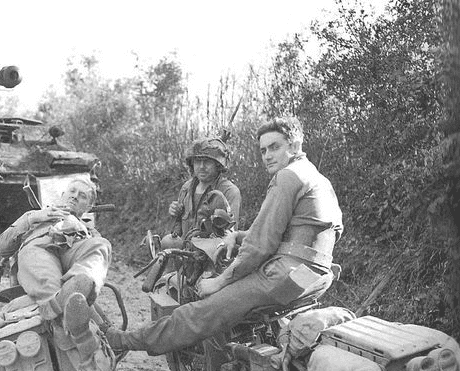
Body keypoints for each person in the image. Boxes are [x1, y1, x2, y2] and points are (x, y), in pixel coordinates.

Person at [106, 116, 343, 355]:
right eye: (263, 150)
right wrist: (237, 236)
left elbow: (260, 245)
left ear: (295, 145)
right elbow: (307, 231)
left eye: (275, 147)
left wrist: (219, 282)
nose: (267, 156)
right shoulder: (318, 179)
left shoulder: (286, 177)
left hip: (281, 276)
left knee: (199, 312)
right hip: (315, 276)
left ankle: (122, 340)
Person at [0, 178, 111, 352]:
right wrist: (33, 217)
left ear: (88, 208)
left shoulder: (91, 232)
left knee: (101, 245)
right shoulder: (36, 217)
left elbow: (95, 257)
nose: (75, 197)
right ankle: (60, 319)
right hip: (41, 249)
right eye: (72, 191)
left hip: (73, 256)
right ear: (63, 195)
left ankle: (76, 287)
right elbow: (2, 247)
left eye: (82, 196)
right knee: (34, 254)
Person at [167, 137, 241, 240]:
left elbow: (230, 235)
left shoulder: (229, 191)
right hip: (184, 252)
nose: (201, 166)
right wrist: (175, 213)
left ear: (217, 165)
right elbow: (177, 228)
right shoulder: (186, 188)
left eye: (207, 161)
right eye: (197, 161)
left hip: (212, 253)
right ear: (192, 164)